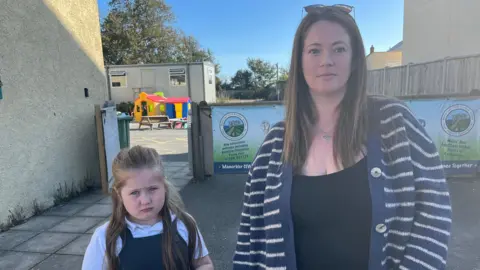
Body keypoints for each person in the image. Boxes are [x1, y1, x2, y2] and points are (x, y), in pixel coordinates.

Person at [233, 4, 452, 270]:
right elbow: (249, 240)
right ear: (299, 61)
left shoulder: (394, 122)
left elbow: (434, 214)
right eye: (314, 50)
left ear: (355, 58)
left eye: (339, 48)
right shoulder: (274, 146)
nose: (327, 60)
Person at [82, 145, 214, 270]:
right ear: (119, 194)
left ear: (164, 186)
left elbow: (204, 263)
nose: (145, 200)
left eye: (152, 189)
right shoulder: (105, 237)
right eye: (134, 193)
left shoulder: (184, 224)